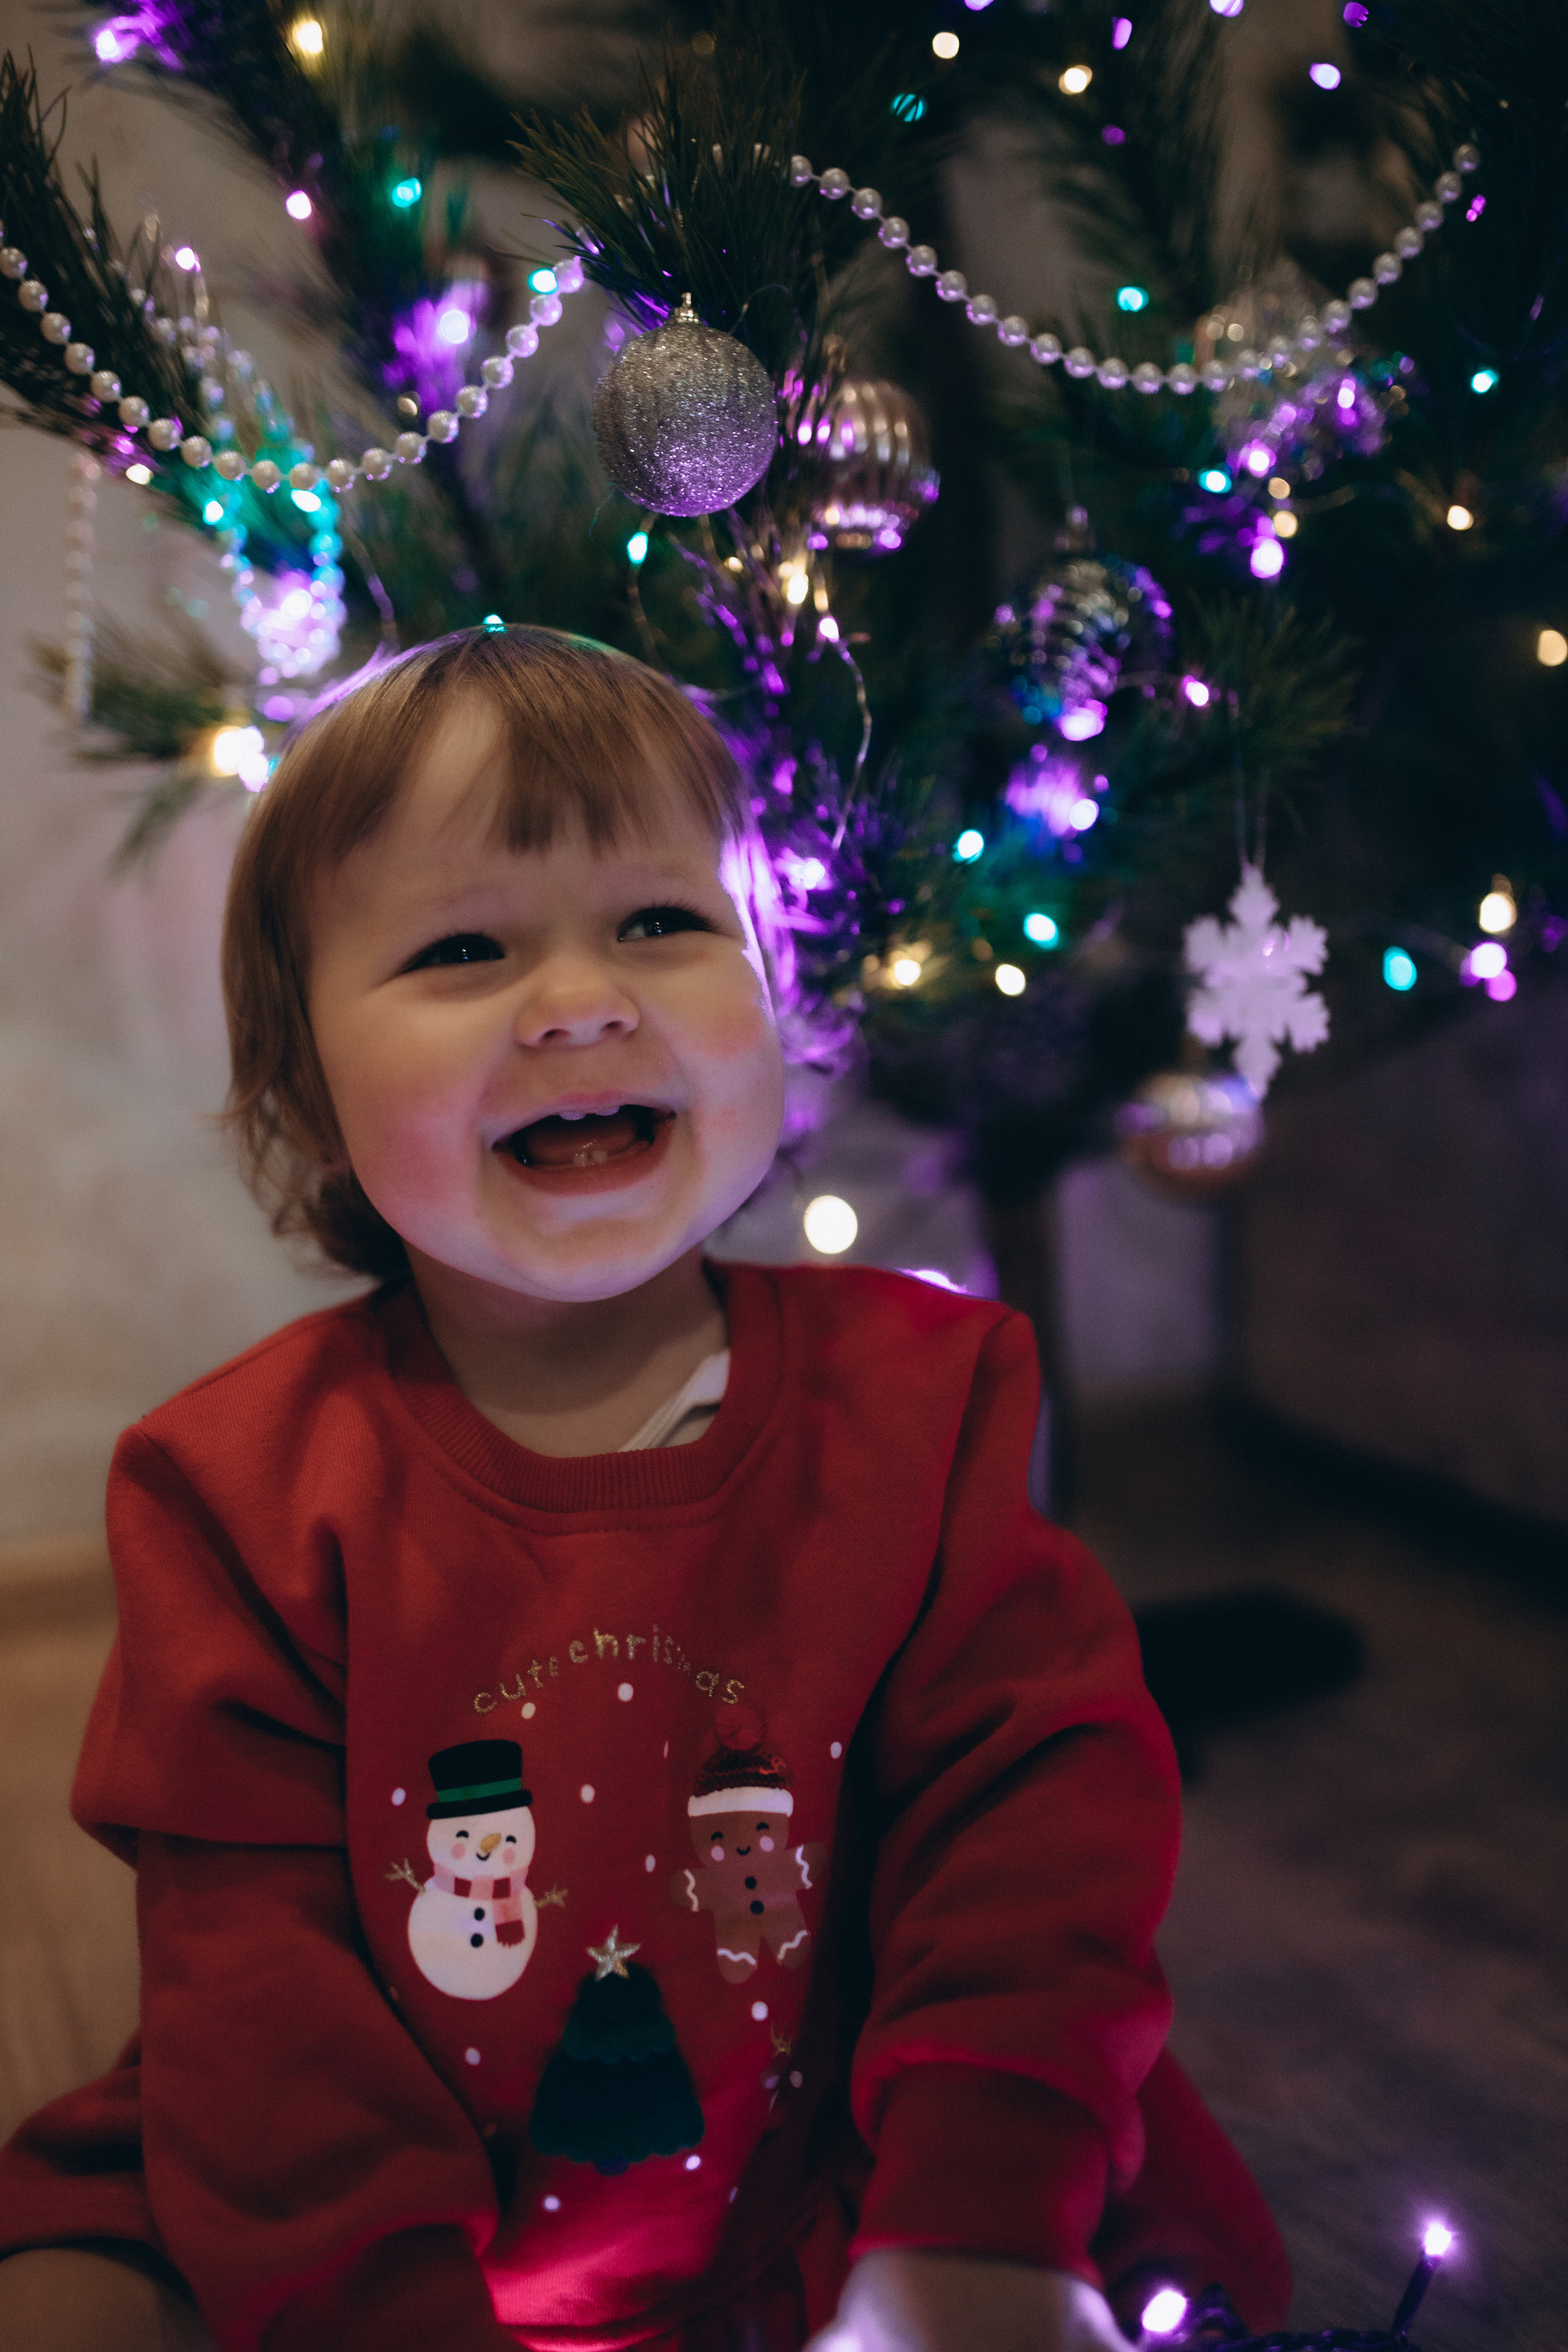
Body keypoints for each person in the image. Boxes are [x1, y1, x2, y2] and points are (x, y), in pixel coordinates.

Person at [0, 628, 1289, 2352]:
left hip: (833, 2144)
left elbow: (1032, 1838)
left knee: (1142, 2263)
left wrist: (976, 2215)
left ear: (783, 1010)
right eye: (463, 948)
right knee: (68, 2289)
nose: (581, 1001)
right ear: (307, 1093)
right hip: (380, 2204)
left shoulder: (924, 1401)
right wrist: (383, 2305)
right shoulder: (232, 1493)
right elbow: (261, 2002)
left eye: (663, 924)